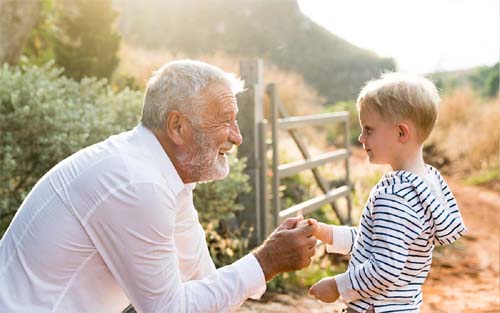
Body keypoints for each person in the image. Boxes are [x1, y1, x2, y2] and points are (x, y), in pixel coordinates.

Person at [0, 60, 318, 313]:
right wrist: (265, 262)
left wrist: (264, 264)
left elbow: (205, 288)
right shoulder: (137, 184)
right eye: (225, 121)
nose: (237, 137)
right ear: (177, 126)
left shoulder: (163, 175)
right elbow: (168, 309)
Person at [305, 72, 467, 313]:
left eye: (368, 129)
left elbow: (386, 266)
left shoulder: (393, 195)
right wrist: (326, 233)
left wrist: (338, 285)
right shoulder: (428, 183)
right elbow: (377, 240)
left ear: (401, 133)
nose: (361, 138)